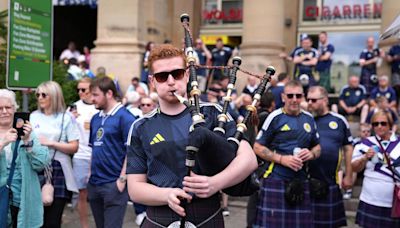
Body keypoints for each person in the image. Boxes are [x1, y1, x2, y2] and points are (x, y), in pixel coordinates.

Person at [126, 44, 257, 227]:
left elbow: (249, 159)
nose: (171, 81)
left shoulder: (213, 114)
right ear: (152, 81)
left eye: (177, 73)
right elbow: (134, 188)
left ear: (187, 75)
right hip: (159, 216)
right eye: (162, 76)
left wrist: (215, 183)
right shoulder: (141, 127)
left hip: (208, 214)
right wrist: (167, 195)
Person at [253, 80, 321, 227]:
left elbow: (317, 147)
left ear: (302, 96)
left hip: (301, 180)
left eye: (298, 95)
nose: (294, 99)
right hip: (276, 179)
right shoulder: (274, 117)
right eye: (290, 96)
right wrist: (282, 159)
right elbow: (257, 147)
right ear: (283, 97)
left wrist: (312, 154)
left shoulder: (309, 118)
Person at [30, 81, 80, 228]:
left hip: (57, 169)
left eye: (43, 94)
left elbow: (74, 147)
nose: (39, 97)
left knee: (53, 220)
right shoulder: (33, 116)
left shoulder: (66, 118)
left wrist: (51, 143)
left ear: (54, 96)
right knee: (34, 218)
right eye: (37, 94)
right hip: (34, 167)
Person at [87, 76, 136, 228]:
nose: (92, 99)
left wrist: (122, 180)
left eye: (95, 95)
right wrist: (89, 175)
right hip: (94, 184)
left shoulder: (125, 117)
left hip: (113, 184)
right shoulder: (95, 118)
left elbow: (132, 152)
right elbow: (93, 149)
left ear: (108, 93)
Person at [0, 89, 49, 228]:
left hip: (22, 200)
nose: (4, 111)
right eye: (0, 108)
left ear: (15, 109)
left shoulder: (27, 134)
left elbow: (41, 163)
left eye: (8, 107)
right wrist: (3, 143)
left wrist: (28, 142)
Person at [307, 86, 353, 228]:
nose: (309, 102)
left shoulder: (339, 120)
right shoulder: (305, 120)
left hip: (331, 181)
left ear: (325, 100)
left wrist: (349, 175)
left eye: (313, 100)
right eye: (308, 99)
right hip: (306, 182)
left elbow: (348, 148)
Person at [352, 110, 400, 227]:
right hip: (370, 199)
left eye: (383, 123)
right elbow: (354, 168)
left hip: (393, 201)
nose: (379, 127)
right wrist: (364, 157)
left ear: (390, 125)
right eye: (375, 124)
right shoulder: (365, 144)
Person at [72, 77, 98, 228]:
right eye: (79, 89)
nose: (80, 92)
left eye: (84, 89)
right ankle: (84, 225)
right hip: (80, 154)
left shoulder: (98, 106)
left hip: (97, 155)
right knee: (82, 193)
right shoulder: (74, 107)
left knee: (96, 193)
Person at [386, 39, 400, 106]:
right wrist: (395, 57)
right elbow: (388, 59)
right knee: (396, 88)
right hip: (396, 71)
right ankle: (397, 106)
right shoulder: (394, 48)